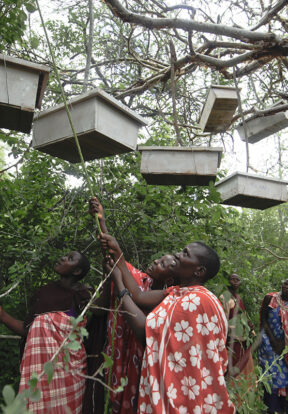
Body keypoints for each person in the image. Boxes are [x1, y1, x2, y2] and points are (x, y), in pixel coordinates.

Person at [100, 232, 236, 414]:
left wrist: (118, 283)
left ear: (199, 271)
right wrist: (118, 253)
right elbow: (139, 296)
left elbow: (143, 331)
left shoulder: (195, 300)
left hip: (183, 395)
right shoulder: (179, 292)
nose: (178, 255)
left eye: (186, 254)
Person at [89, 197, 173, 414]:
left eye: (163, 264)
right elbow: (117, 260)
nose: (156, 262)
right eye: (158, 259)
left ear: (173, 278)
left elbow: (126, 281)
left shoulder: (168, 298)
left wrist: (117, 275)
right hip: (116, 352)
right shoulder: (140, 279)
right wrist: (101, 221)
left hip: (140, 361)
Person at [0, 250, 108, 413]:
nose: (63, 257)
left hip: (69, 371)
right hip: (40, 371)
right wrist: (2, 315)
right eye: (65, 255)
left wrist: (109, 275)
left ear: (77, 271)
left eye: (70, 258)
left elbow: (100, 310)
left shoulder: (84, 294)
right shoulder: (44, 293)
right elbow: (27, 330)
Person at [259, 279, 288, 414]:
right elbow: (263, 319)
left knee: (284, 376)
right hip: (268, 344)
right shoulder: (270, 298)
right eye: (286, 283)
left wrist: (282, 344)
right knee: (271, 374)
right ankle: (271, 408)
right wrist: (273, 341)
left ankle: (281, 407)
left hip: (285, 346)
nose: (287, 287)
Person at [219, 273, 255, 378]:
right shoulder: (224, 298)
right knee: (234, 370)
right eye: (232, 279)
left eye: (237, 280)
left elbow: (242, 317)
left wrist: (248, 326)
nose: (235, 282)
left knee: (246, 370)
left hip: (243, 340)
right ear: (227, 281)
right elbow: (223, 321)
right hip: (232, 341)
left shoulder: (238, 297)